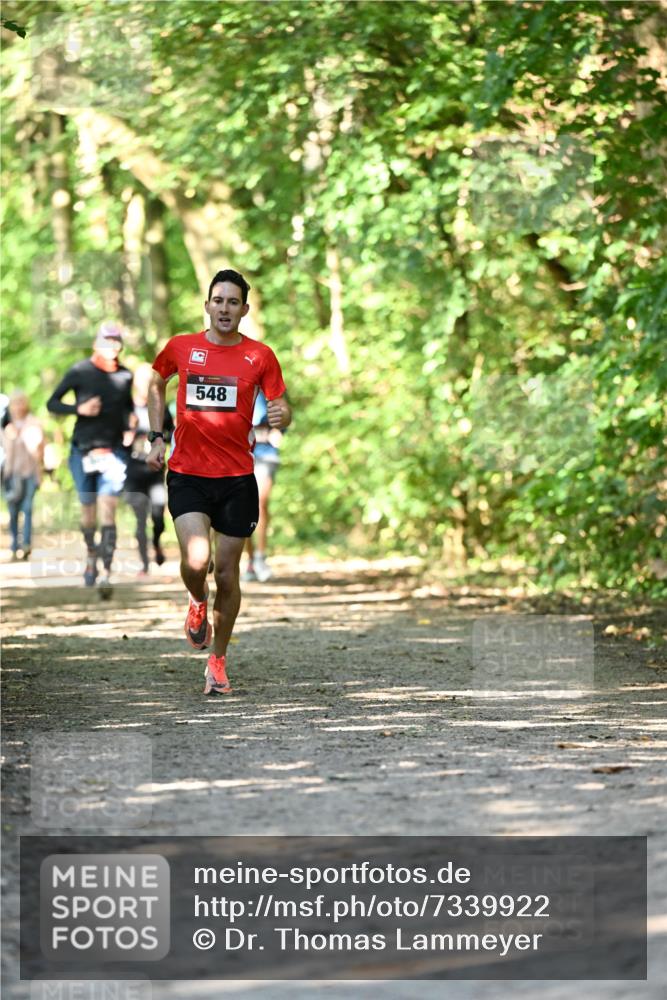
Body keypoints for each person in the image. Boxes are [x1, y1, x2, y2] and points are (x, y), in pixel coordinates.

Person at [147, 268, 291, 695]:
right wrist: (156, 436)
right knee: (197, 561)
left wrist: (283, 415)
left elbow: (282, 405)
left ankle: (218, 661)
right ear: (207, 305)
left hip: (237, 479)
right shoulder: (181, 347)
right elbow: (156, 381)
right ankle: (196, 601)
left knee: (227, 575)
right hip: (189, 473)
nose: (224, 308)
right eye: (218, 300)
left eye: (233, 302)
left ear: (244, 310)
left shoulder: (260, 356)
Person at [47, 322, 133, 597]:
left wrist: (131, 426)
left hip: (113, 452)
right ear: (97, 343)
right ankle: (91, 556)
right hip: (82, 451)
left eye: (117, 341)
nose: (113, 346)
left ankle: (106, 571)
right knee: (88, 514)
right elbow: (52, 403)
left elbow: (128, 409)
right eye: (107, 340)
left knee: (108, 510)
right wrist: (79, 408)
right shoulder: (80, 371)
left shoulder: (125, 375)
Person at [124, 363, 174, 576]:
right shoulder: (126, 408)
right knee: (139, 518)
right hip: (133, 470)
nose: (145, 385)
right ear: (135, 383)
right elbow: (116, 437)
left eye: (148, 380)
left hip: (155, 471)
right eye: (141, 380)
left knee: (158, 516)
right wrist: (128, 433)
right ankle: (144, 564)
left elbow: (171, 433)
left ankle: (157, 543)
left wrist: (160, 440)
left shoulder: (161, 408)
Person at [242, 390, 283, 582]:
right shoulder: (235, 380)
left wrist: (279, 429)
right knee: (244, 507)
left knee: (261, 502)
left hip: (266, 454)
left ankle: (260, 556)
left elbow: (283, 415)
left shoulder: (270, 388)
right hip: (241, 454)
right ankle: (250, 560)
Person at [1, 391, 44, 561]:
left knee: (27, 508)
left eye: (21, 402)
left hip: (30, 473)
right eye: (15, 403)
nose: (18, 406)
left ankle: (26, 544)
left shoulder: (33, 423)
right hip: (11, 474)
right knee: (13, 511)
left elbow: (38, 449)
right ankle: (14, 545)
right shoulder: (5, 425)